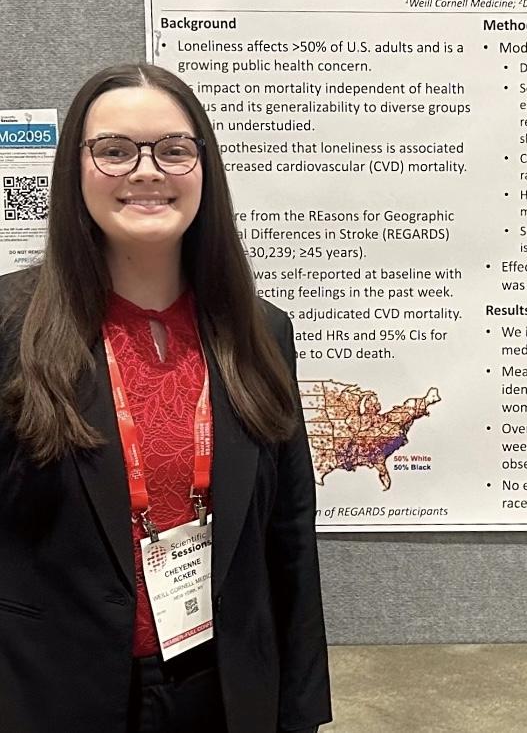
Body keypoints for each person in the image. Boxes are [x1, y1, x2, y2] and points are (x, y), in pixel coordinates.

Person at [0, 64, 332, 733]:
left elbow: (289, 537)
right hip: (48, 694)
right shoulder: (10, 325)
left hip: (223, 694)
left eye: (174, 150)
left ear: (203, 168)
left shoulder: (260, 332)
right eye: (115, 150)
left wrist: (299, 712)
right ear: (75, 169)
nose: (147, 170)